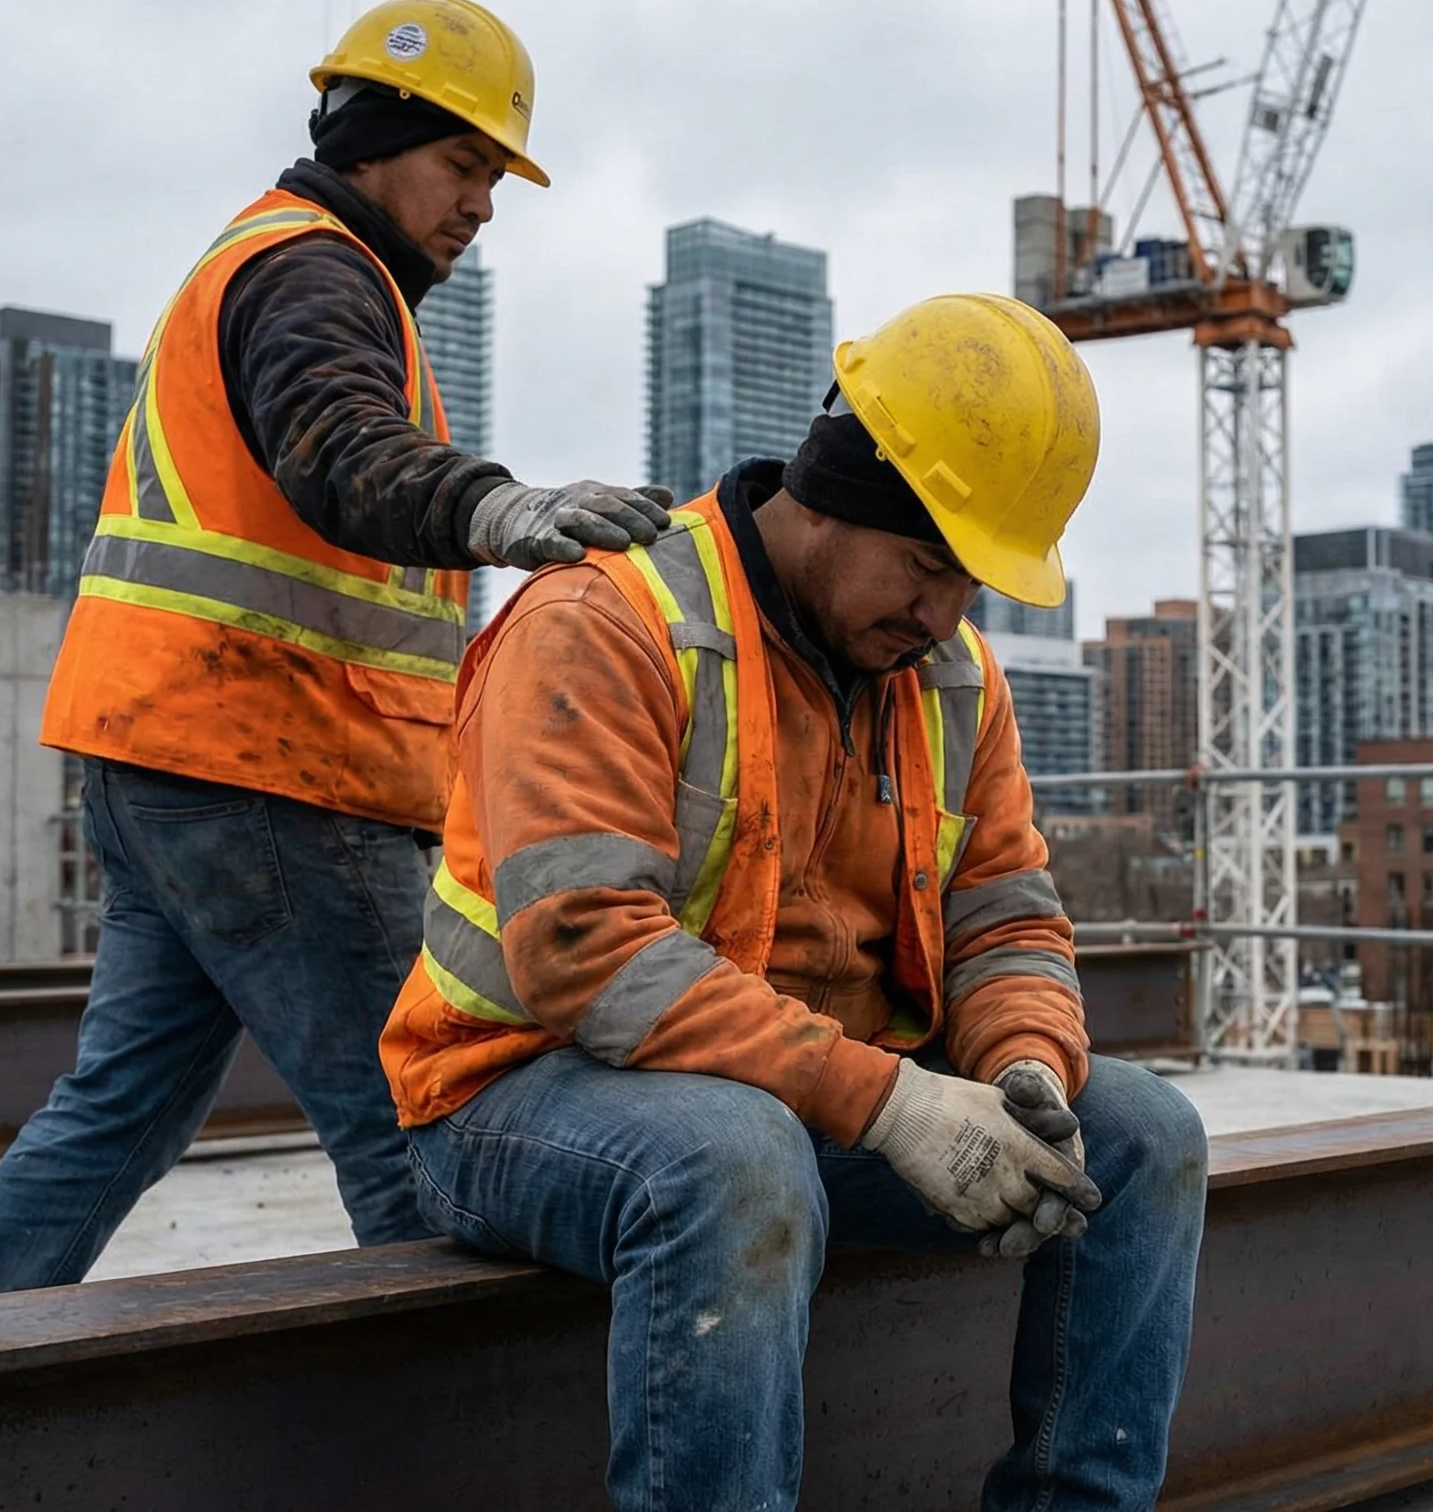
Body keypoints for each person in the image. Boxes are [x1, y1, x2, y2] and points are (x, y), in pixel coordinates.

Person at [383, 292, 1209, 1509]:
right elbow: (583, 951)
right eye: (927, 567)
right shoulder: (605, 619)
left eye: (969, 584)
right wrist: (888, 1103)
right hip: (515, 1092)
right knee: (735, 1158)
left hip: (806, 1093)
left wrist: (1024, 1062)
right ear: (834, 497)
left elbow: (1002, 914)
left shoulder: (948, 675)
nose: (942, 615)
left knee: (1143, 1135)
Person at [0, 0, 673, 1301]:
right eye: (466, 167)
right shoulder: (315, 270)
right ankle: (458, 1444)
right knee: (420, 1128)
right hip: (270, 767)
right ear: (380, 138)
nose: (483, 207)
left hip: (169, 756)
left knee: (121, 1111)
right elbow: (344, 453)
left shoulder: (288, 263)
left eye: (495, 178)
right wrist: (507, 509)